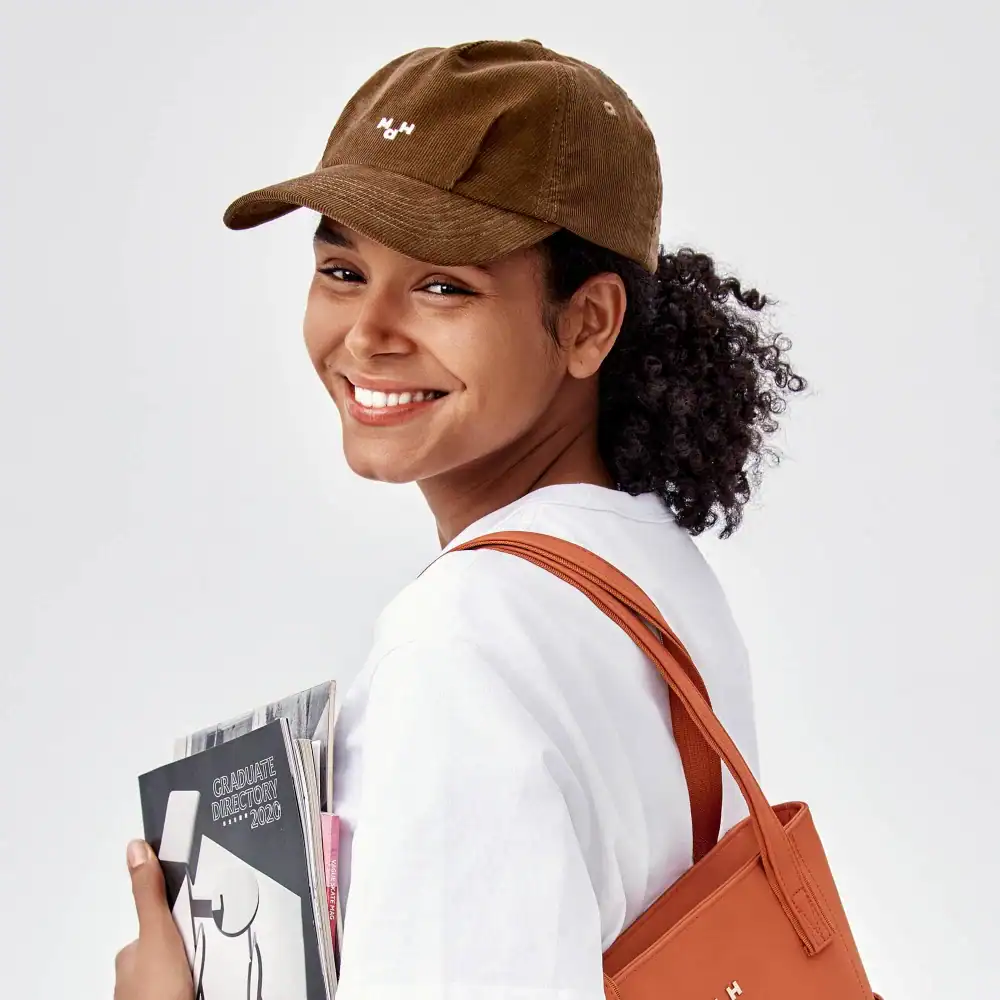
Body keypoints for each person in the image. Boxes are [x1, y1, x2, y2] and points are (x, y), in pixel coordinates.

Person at [114, 38, 806, 1000]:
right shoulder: (649, 573)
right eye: (343, 269)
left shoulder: (459, 644)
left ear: (588, 324)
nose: (368, 333)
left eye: (444, 285)